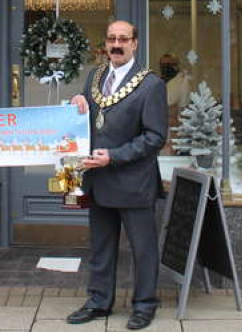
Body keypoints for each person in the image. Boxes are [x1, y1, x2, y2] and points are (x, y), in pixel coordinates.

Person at [66, 20, 168, 331]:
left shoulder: (151, 85)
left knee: (143, 249)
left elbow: (155, 137)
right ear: (106, 43)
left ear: (135, 43)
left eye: (123, 39)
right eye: (111, 38)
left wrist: (114, 156)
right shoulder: (95, 77)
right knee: (101, 247)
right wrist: (78, 103)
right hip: (99, 181)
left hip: (134, 182)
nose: (117, 44)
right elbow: (90, 120)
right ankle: (99, 302)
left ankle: (144, 304)